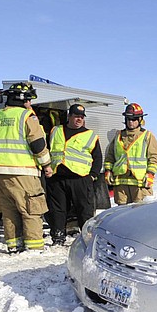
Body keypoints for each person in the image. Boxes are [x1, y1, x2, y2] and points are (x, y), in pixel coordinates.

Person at [0, 82, 53, 253]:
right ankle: (34, 247)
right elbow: (38, 145)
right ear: (24, 100)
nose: (30, 104)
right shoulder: (27, 117)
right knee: (31, 209)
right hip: (25, 173)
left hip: (1, 174)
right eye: (29, 100)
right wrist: (47, 166)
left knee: (9, 211)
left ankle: (13, 246)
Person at [45, 104, 102, 245]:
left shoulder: (90, 135)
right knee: (57, 210)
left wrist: (92, 176)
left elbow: (98, 158)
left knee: (85, 211)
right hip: (57, 177)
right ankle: (58, 236)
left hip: (80, 179)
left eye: (82, 117)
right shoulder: (55, 130)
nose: (79, 119)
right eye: (76, 116)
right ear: (69, 116)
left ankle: (87, 238)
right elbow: (47, 149)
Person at [104, 103, 157, 205]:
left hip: (140, 184)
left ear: (140, 120)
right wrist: (108, 170)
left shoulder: (147, 136)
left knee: (141, 215)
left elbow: (154, 158)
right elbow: (110, 156)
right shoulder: (118, 136)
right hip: (121, 184)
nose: (131, 122)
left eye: (134, 119)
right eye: (128, 119)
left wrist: (150, 174)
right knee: (122, 215)